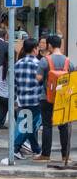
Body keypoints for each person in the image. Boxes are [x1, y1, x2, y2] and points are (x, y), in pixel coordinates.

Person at [38, 34, 71, 165]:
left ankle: (45, 154)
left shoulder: (45, 60)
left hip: (46, 97)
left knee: (47, 125)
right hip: (63, 98)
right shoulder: (68, 61)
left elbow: (39, 78)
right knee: (64, 127)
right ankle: (65, 156)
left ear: (49, 46)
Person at [12, 37, 45, 157]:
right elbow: (42, 83)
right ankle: (15, 149)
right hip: (35, 101)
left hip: (21, 100)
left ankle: (36, 150)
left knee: (27, 126)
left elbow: (14, 83)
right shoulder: (39, 64)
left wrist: (15, 99)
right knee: (28, 126)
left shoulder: (17, 64)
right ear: (35, 49)